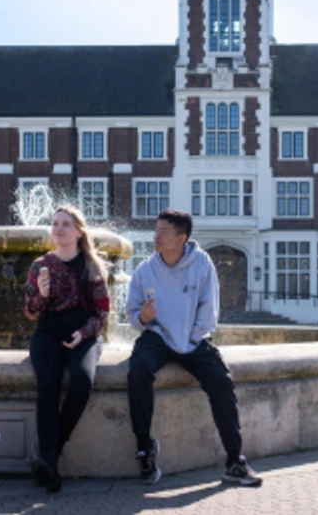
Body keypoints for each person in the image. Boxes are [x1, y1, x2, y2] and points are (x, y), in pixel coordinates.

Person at [125, 208, 262, 487]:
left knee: (222, 382)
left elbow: (208, 310)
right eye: (156, 230)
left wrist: (190, 341)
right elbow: (132, 316)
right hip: (157, 337)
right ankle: (145, 450)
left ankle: (235, 461)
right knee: (137, 371)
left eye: (164, 232)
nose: (156, 237)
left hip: (193, 337)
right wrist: (143, 318)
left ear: (182, 238)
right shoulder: (145, 270)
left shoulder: (202, 263)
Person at [23, 206, 110, 492]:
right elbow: (31, 312)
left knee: (81, 383)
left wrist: (83, 333)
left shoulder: (92, 266)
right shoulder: (40, 266)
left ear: (79, 231)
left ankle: (50, 454)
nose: (59, 228)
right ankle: (50, 464)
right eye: (55, 223)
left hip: (82, 331)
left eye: (66, 224)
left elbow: (101, 313)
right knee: (47, 386)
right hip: (47, 331)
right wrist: (43, 294)